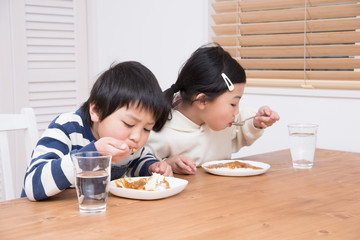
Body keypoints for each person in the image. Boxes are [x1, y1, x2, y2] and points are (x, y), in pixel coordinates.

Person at [22, 61, 173, 201]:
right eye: (128, 124)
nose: (137, 137)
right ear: (96, 111)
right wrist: (91, 155)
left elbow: (139, 159)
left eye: (147, 129)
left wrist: (153, 166)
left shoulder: (128, 143)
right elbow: (32, 185)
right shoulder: (67, 128)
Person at [146, 43, 280, 175]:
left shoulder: (219, 123)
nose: (236, 111)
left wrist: (255, 122)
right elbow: (136, 166)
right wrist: (167, 164)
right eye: (233, 104)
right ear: (202, 100)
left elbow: (237, 132)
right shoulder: (161, 133)